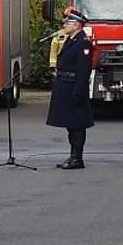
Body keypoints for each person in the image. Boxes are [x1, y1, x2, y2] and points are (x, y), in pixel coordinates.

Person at [46, 11, 95, 170]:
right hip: (64, 85)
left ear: (77, 25)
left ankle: (77, 158)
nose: (65, 25)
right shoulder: (70, 40)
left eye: (68, 23)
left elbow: (84, 70)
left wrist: (78, 91)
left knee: (77, 124)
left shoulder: (83, 43)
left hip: (74, 86)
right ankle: (73, 155)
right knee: (69, 124)